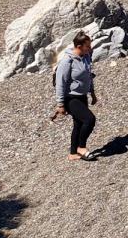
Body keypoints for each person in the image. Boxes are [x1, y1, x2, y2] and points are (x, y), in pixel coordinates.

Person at [51, 32, 98, 161]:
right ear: (78, 46)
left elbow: (88, 76)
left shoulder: (86, 56)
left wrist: (92, 93)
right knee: (89, 120)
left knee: (78, 124)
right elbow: (60, 82)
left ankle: (73, 153)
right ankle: (81, 147)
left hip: (82, 96)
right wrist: (60, 104)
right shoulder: (67, 61)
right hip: (70, 98)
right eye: (87, 46)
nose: (90, 48)